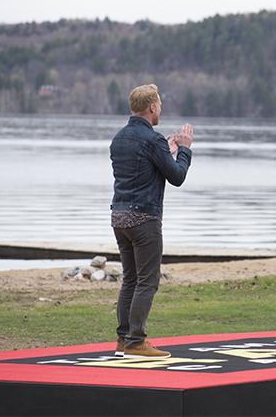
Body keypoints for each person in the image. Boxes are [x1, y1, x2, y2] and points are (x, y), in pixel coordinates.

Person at [110, 83, 193, 358]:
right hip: (144, 218)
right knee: (148, 280)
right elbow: (177, 177)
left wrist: (163, 152)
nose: (160, 110)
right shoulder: (153, 140)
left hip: (119, 217)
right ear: (152, 107)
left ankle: (123, 339)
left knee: (130, 279)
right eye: (159, 106)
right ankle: (136, 341)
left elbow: (141, 170)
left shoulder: (119, 139)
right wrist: (184, 149)